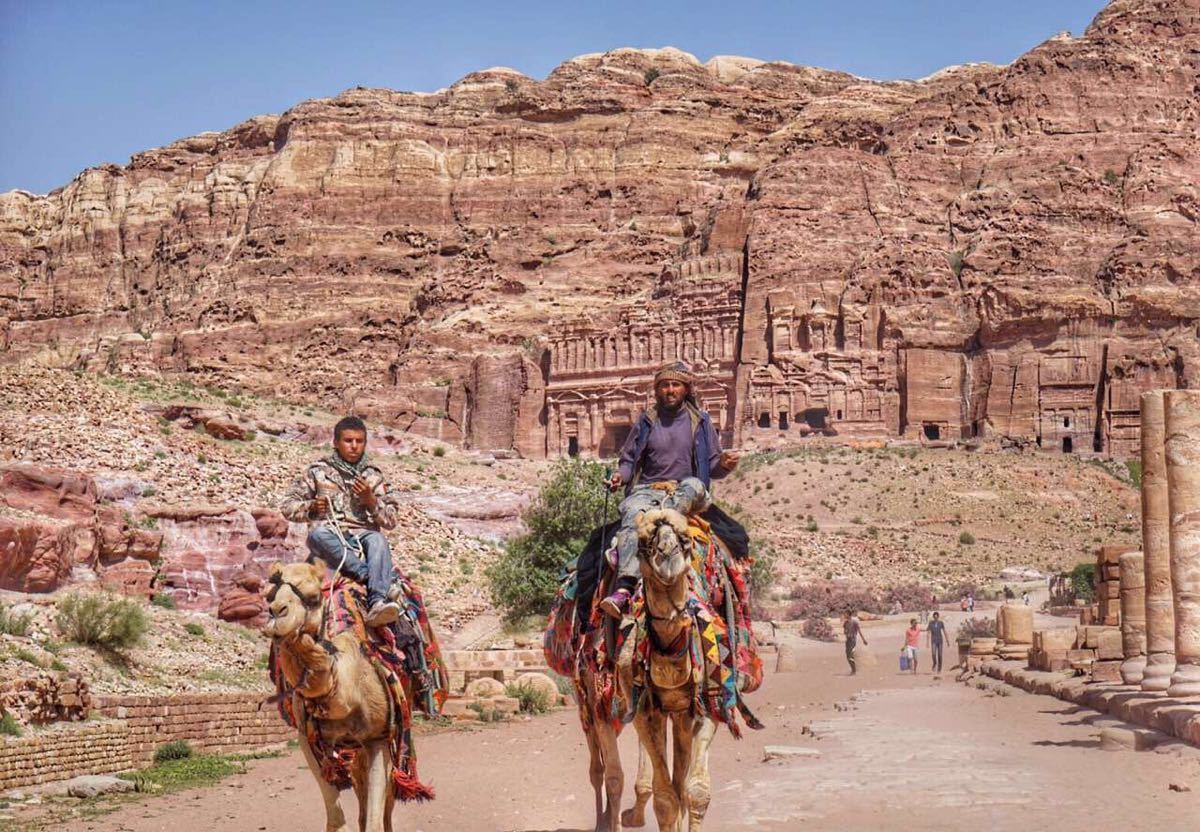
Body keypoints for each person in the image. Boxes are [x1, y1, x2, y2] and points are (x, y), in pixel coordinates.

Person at [598, 361, 739, 617]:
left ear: (686, 389)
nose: (670, 390)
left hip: (686, 491)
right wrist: (620, 476)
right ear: (657, 390)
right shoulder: (646, 422)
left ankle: (665, 522)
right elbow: (629, 460)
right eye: (664, 385)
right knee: (630, 517)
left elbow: (713, 466)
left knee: (693, 485)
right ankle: (625, 586)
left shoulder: (701, 421)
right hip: (648, 490)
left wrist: (725, 465)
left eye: (675, 385)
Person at [281, 415, 404, 628]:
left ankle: (376, 603)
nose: (354, 446)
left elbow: (391, 520)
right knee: (317, 535)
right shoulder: (317, 472)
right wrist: (310, 508)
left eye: (360, 441)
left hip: (363, 536)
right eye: (348, 441)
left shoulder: (373, 477)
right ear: (336, 443)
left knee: (378, 540)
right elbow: (287, 506)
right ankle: (371, 578)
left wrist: (371, 501)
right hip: (330, 538)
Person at [843, 610, 867, 675]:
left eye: (845, 614)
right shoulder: (845, 623)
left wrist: (863, 640)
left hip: (853, 641)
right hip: (848, 640)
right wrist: (846, 632)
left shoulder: (854, 622)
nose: (844, 615)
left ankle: (854, 670)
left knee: (850, 655)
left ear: (848, 614)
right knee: (848, 656)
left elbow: (859, 631)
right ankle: (853, 668)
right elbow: (845, 632)